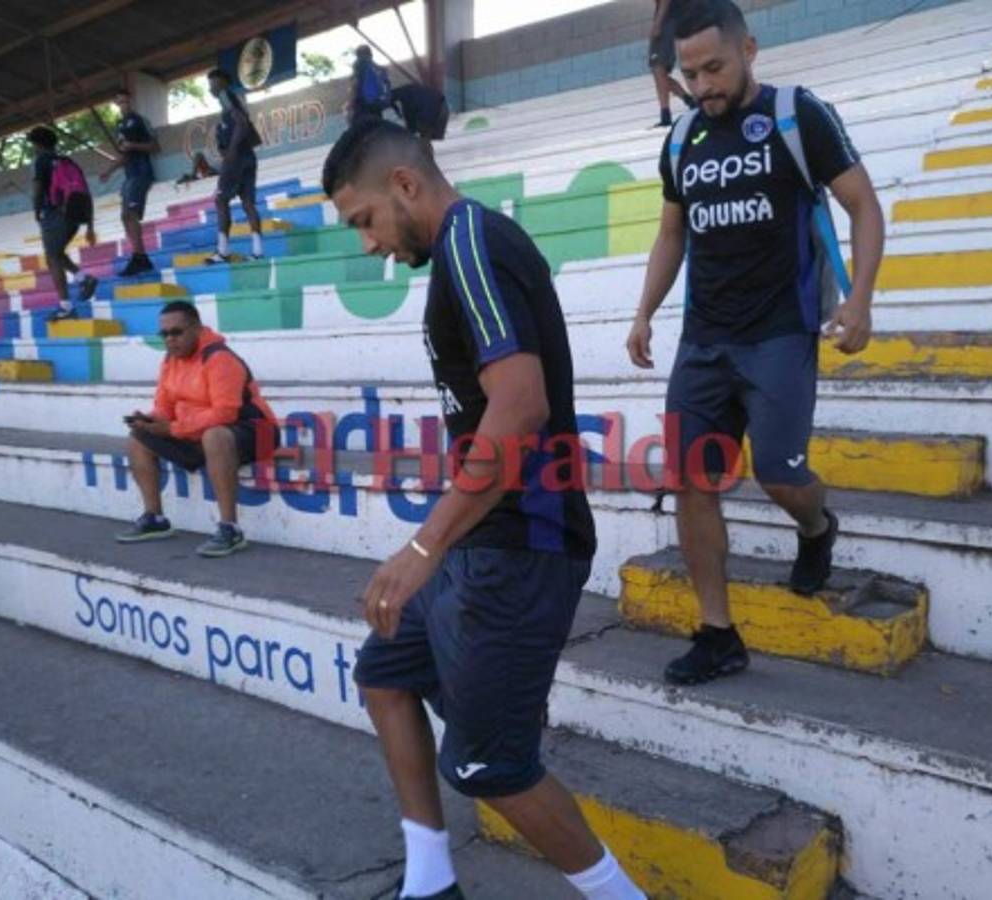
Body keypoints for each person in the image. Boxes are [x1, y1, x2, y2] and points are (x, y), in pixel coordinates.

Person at [322, 120, 646, 900]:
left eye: (363, 220)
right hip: (485, 536)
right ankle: (431, 882)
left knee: (490, 768)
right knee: (384, 674)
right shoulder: (463, 252)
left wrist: (423, 546)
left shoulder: (471, 244)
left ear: (404, 185)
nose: (367, 245)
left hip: (522, 544)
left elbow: (520, 407)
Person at [625, 0, 885, 685]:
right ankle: (717, 633)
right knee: (689, 482)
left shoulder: (799, 116)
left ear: (748, 49)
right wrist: (644, 313)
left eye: (714, 66)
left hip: (779, 333)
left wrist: (859, 299)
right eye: (690, 72)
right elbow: (672, 233)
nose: (703, 84)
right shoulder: (682, 139)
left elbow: (862, 204)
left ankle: (814, 528)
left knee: (779, 474)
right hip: (703, 341)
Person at [118, 300, 279, 557]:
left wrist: (172, 430)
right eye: (164, 334)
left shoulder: (219, 358)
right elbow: (164, 407)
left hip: (255, 431)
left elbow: (225, 413)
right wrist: (150, 420)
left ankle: (230, 529)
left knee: (214, 435)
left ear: (197, 329)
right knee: (139, 436)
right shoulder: (170, 360)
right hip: (197, 432)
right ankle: (155, 518)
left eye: (177, 332)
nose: (170, 339)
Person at [27, 126, 98, 321]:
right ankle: (84, 279)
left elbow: (38, 188)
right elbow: (86, 192)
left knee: (52, 258)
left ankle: (65, 306)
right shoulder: (68, 161)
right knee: (57, 253)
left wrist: (36, 211)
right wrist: (90, 225)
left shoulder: (41, 161)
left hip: (54, 214)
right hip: (75, 215)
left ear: (37, 144)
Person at [204, 69, 264, 265]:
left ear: (223, 83)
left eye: (213, 83)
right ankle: (257, 252)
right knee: (248, 203)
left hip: (237, 159)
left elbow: (241, 124)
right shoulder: (230, 106)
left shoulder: (226, 96)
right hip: (248, 158)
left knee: (221, 200)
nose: (210, 87)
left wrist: (230, 152)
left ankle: (223, 252)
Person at [99, 87, 159, 277]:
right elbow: (125, 155)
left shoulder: (140, 120)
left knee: (131, 214)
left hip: (141, 172)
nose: (123, 104)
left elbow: (155, 146)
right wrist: (109, 170)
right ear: (116, 104)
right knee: (125, 216)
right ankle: (139, 256)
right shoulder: (119, 126)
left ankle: (140, 257)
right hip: (129, 174)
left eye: (125, 100)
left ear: (130, 101)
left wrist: (133, 145)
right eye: (119, 101)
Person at [649, 0, 698, 128]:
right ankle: (689, 100)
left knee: (658, 67)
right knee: (659, 71)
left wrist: (658, 23)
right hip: (671, 21)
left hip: (667, 22)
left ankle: (665, 114)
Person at [344, 45, 392, 125]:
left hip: (363, 105)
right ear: (370, 54)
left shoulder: (358, 64)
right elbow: (384, 74)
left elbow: (355, 85)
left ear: (358, 55)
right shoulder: (374, 66)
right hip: (378, 103)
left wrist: (350, 103)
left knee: (347, 112)